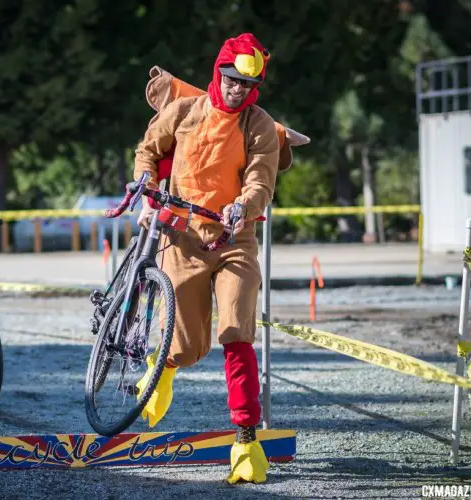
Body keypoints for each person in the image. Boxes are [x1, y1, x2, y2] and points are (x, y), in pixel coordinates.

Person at [133, 33, 289, 484]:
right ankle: (161, 369)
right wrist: (146, 187)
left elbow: (261, 181)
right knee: (182, 345)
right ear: (218, 73)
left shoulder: (259, 124)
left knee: (236, 331)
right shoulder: (183, 111)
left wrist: (244, 204)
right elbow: (148, 150)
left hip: (235, 240)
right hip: (183, 237)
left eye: (247, 84)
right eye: (232, 79)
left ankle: (245, 439)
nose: (238, 89)